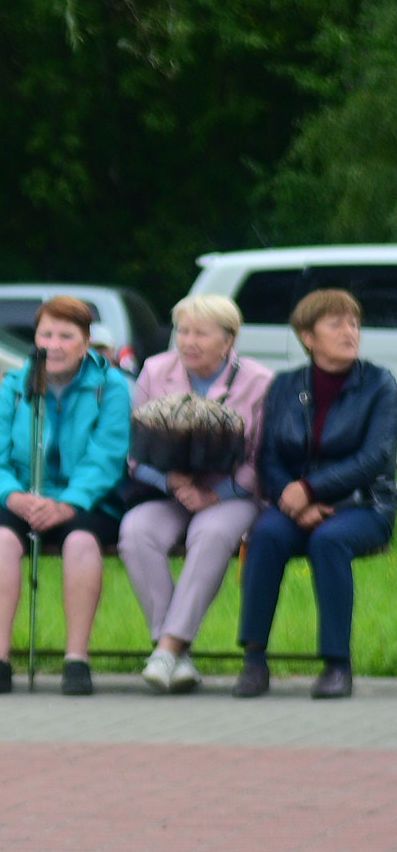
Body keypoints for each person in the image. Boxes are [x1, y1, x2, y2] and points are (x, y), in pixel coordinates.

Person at [0, 293, 132, 697]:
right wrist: (11, 497)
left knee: (80, 543)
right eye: (46, 335)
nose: (53, 345)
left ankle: (76, 661)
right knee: (2, 538)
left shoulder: (111, 386)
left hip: (87, 501)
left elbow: (106, 458)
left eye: (66, 336)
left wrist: (67, 504)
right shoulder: (15, 385)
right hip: (26, 498)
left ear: (86, 342)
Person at [234, 287, 396, 699]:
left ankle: (337, 665)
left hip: (363, 504)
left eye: (354, 323)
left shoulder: (380, 384)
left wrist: (308, 489)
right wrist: (293, 500)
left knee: (329, 540)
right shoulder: (285, 385)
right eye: (336, 324)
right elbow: (268, 454)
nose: (349, 331)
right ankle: (254, 660)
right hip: (294, 504)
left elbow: (375, 457)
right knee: (266, 535)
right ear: (307, 336)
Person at [118, 295, 270, 692]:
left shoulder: (258, 381)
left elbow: (260, 460)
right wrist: (173, 483)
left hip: (230, 494)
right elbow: (134, 452)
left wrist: (213, 495)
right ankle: (175, 654)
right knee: (136, 530)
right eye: (182, 331)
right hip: (170, 489)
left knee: (212, 533)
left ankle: (167, 648)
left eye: (201, 333)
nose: (188, 342)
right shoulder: (155, 370)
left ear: (228, 340)